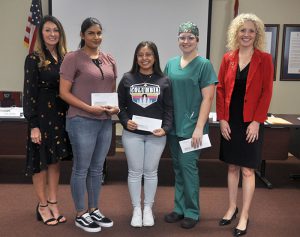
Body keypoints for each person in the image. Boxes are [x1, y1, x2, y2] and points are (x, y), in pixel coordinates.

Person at [59, 17, 119, 233]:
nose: (96, 37)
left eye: (99, 33)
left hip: (105, 121)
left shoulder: (109, 58)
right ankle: (80, 213)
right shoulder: (72, 58)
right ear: (83, 35)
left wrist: (115, 108)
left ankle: (94, 209)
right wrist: (87, 108)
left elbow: (112, 90)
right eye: (91, 33)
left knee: (97, 169)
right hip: (81, 120)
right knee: (81, 169)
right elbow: (63, 93)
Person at [216, 13, 273, 236]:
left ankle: (245, 214)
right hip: (231, 121)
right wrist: (222, 118)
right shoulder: (228, 58)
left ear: (256, 34)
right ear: (236, 33)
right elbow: (220, 89)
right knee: (231, 166)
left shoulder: (265, 59)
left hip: (251, 122)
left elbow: (266, 92)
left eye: (251, 30)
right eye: (242, 30)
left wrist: (257, 121)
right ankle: (232, 207)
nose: (246, 34)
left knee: (248, 170)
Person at [164, 22, 218, 229]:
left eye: (190, 37)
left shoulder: (204, 65)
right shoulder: (170, 63)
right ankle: (179, 208)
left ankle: (192, 211)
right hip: (174, 127)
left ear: (197, 40)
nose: (185, 41)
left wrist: (198, 127)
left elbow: (208, 98)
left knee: (188, 169)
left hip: (192, 129)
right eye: (182, 37)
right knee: (177, 168)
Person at [117, 41, 173, 227]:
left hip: (156, 135)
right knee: (134, 172)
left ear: (155, 57)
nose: (145, 58)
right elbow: (120, 106)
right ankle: (136, 209)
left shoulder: (164, 80)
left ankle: (148, 208)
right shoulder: (127, 78)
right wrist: (125, 121)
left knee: (150, 172)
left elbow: (169, 109)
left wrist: (165, 129)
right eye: (141, 54)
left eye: (149, 54)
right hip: (133, 134)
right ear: (136, 57)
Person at [23, 15, 72, 226]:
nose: (52, 34)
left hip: (60, 117)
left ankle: (53, 202)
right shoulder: (34, 58)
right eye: (48, 30)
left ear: (60, 34)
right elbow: (29, 92)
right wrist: (33, 124)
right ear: (41, 34)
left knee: (55, 161)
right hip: (41, 117)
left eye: (56, 30)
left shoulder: (65, 58)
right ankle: (42, 206)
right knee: (40, 163)